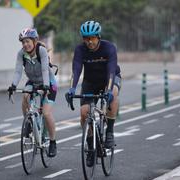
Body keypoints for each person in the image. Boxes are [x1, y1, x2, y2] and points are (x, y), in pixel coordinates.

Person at [66, 20, 121, 167]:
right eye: (86, 38)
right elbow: (76, 70)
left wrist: (108, 90)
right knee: (84, 113)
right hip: (90, 82)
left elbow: (111, 70)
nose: (89, 41)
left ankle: (109, 131)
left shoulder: (109, 48)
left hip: (109, 79)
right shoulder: (80, 50)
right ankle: (91, 148)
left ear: (98, 36)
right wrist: (71, 89)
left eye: (92, 38)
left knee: (114, 94)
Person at [7, 28, 57, 157]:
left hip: (49, 83)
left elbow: (45, 70)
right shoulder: (21, 54)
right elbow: (18, 71)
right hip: (33, 82)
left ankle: (52, 142)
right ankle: (28, 123)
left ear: (35, 41)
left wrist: (46, 86)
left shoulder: (41, 51)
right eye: (23, 42)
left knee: (46, 113)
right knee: (25, 96)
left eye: (27, 41)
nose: (25, 44)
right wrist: (13, 85)